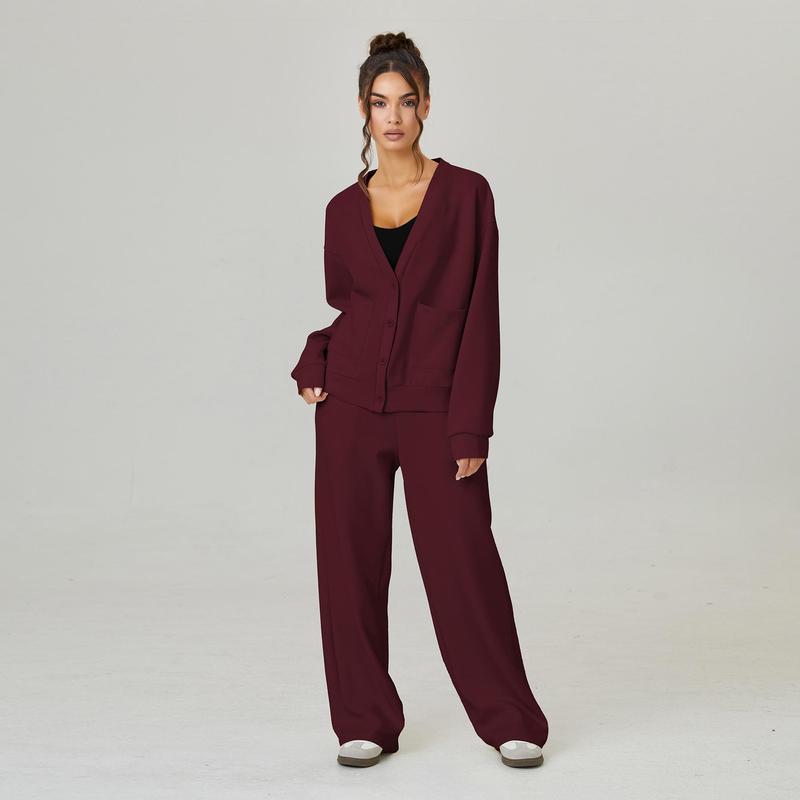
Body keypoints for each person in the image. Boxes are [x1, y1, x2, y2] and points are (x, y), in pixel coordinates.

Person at [290, 31, 549, 769]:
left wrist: (471, 427)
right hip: (349, 409)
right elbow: (353, 309)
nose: (394, 116)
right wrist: (316, 356)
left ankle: (509, 717)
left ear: (427, 106)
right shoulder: (341, 210)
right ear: (363, 111)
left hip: (435, 408)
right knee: (348, 568)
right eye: (380, 103)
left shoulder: (466, 195)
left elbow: (479, 314)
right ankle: (363, 719)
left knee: (463, 563)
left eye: (406, 101)